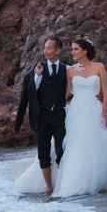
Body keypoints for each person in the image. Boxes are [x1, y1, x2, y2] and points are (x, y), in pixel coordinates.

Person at [14, 37, 107, 198]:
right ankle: (68, 182)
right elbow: (65, 94)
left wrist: (104, 113)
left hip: (95, 110)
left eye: (75, 49)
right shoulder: (70, 70)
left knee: (95, 146)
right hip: (76, 111)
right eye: (72, 49)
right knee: (74, 146)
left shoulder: (99, 67)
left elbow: (106, 92)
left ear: (85, 51)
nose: (72, 52)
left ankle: (95, 179)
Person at [14, 36, 68, 196]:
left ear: (58, 50)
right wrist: (37, 77)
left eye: (50, 48)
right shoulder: (36, 69)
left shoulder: (66, 69)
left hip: (60, 116)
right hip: (42, 118)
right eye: (45, 48)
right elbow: (27, 95)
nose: (46, 51)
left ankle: (63, 183)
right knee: (43, 153)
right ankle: (48, 186)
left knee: (61, 152)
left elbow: (73, 89)